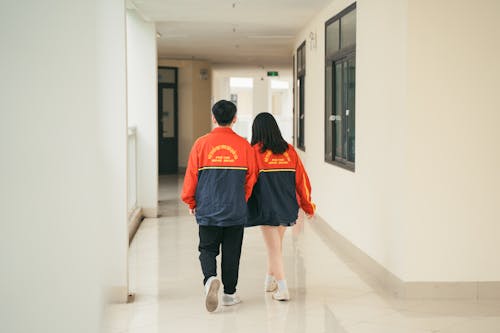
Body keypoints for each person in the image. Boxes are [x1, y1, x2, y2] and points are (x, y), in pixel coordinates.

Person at [181, 100, 257, 312]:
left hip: (208, 208)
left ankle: (209, 280)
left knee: (207, 248)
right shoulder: (244, 145)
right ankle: (229, 295)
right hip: (235, 209)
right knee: (232, 252)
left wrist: (191, 200)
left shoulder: (201, 144)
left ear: (214, 118)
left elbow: (191, 177)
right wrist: (242, 199)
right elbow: (251, 178)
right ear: (234, 119)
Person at [246, 112, 315, 301]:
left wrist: (240, 204)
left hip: (267, 208)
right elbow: (302, 181)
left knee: (273, 248)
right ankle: (269, 281)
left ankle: (283, 288)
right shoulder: (290, 150)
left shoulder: (255, 152)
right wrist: (308, 207)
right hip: (286, 208)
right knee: (275, 246)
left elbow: (248, 182)